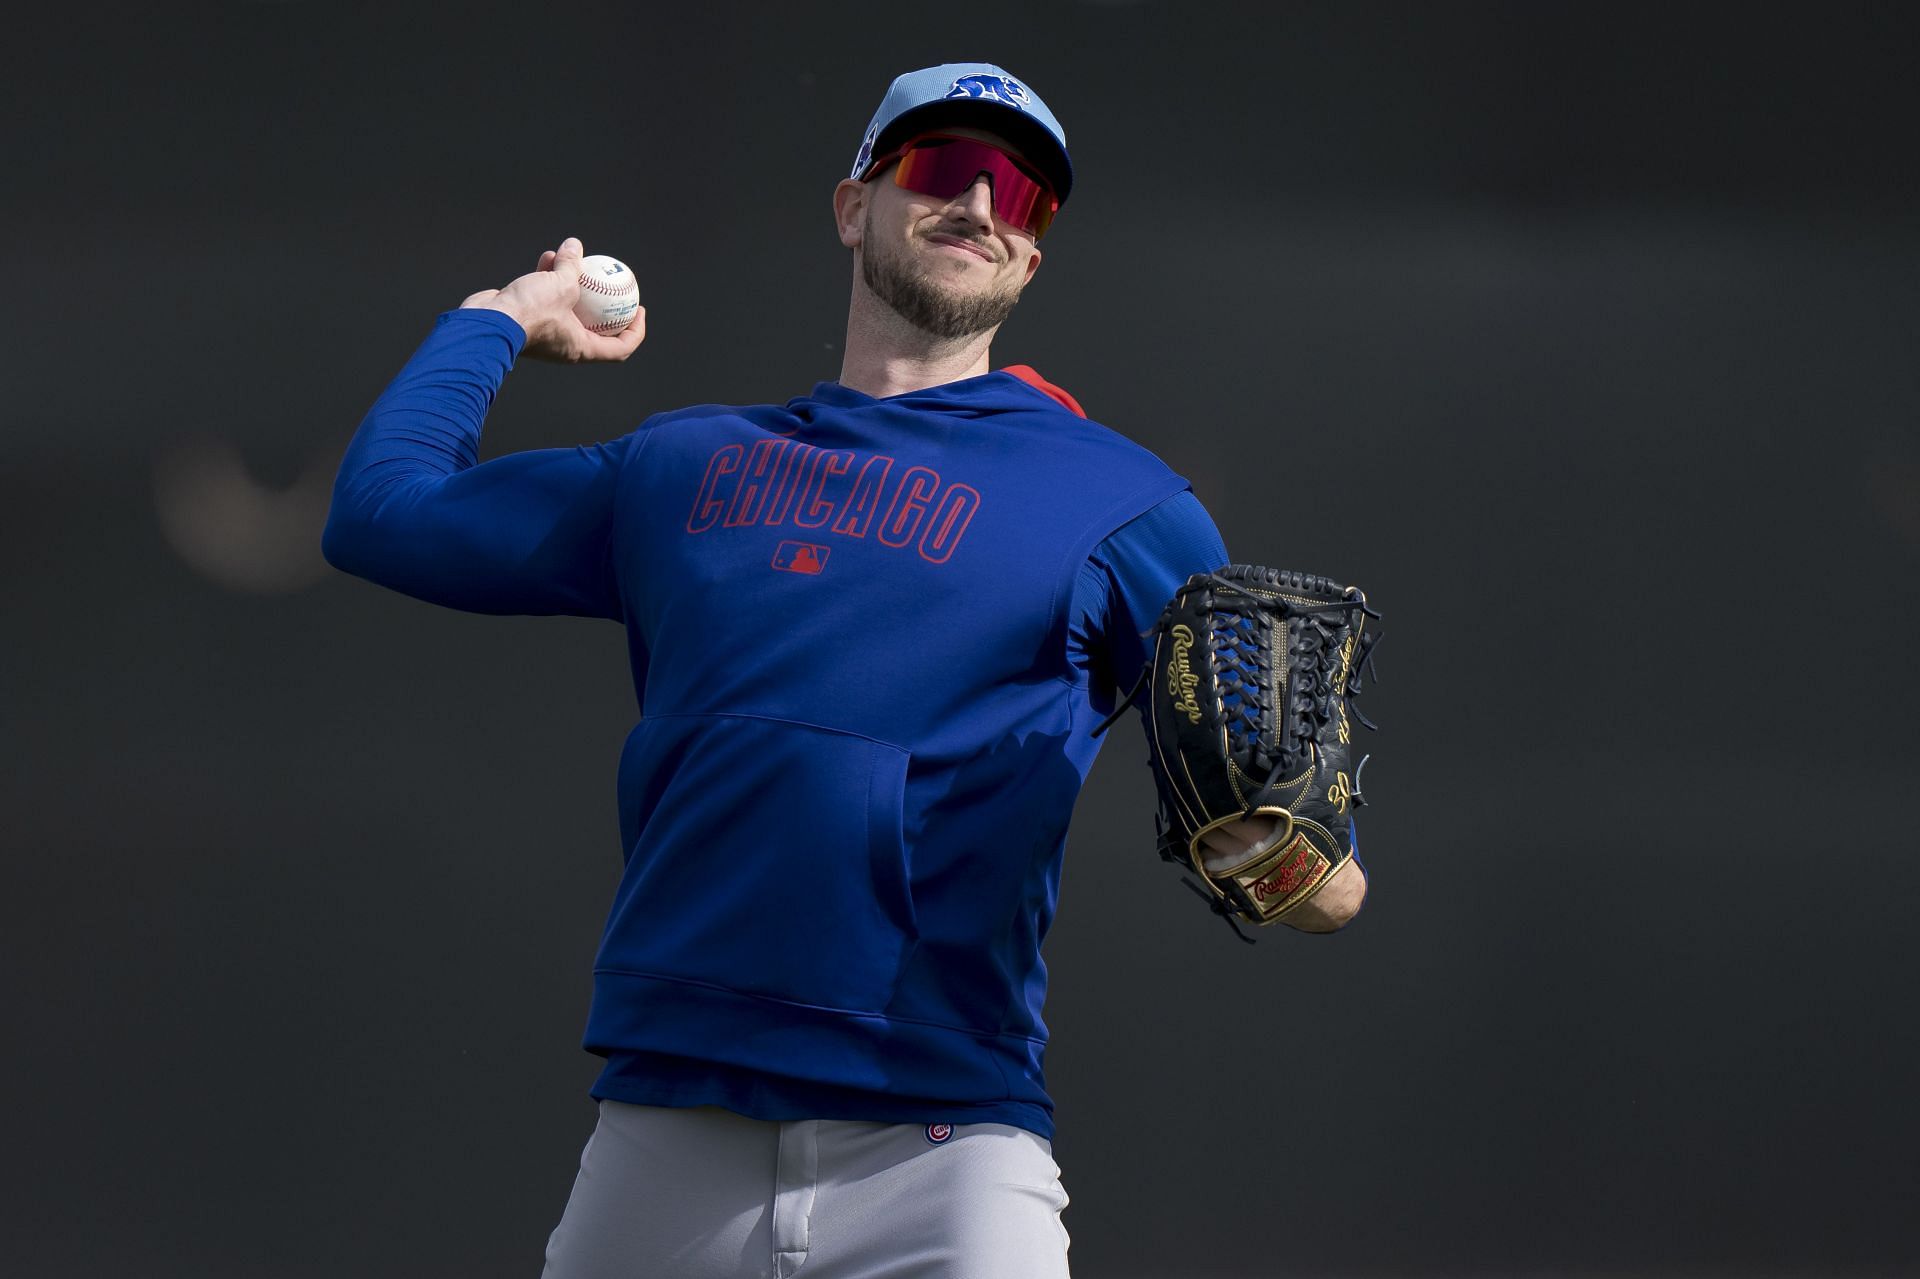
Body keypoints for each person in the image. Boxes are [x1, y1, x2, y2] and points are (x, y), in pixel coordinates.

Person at [323, 62, 1365, 1279]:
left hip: (945, 1151)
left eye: (1021, 191)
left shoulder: (1124, 507)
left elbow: (1319, 868)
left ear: (1032, 256)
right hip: (671, 1138)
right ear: (852, 204)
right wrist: (498, 315)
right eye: (938, 166)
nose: (980, 200)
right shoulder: (685, 467)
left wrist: (1287, 862)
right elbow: (382, 512)